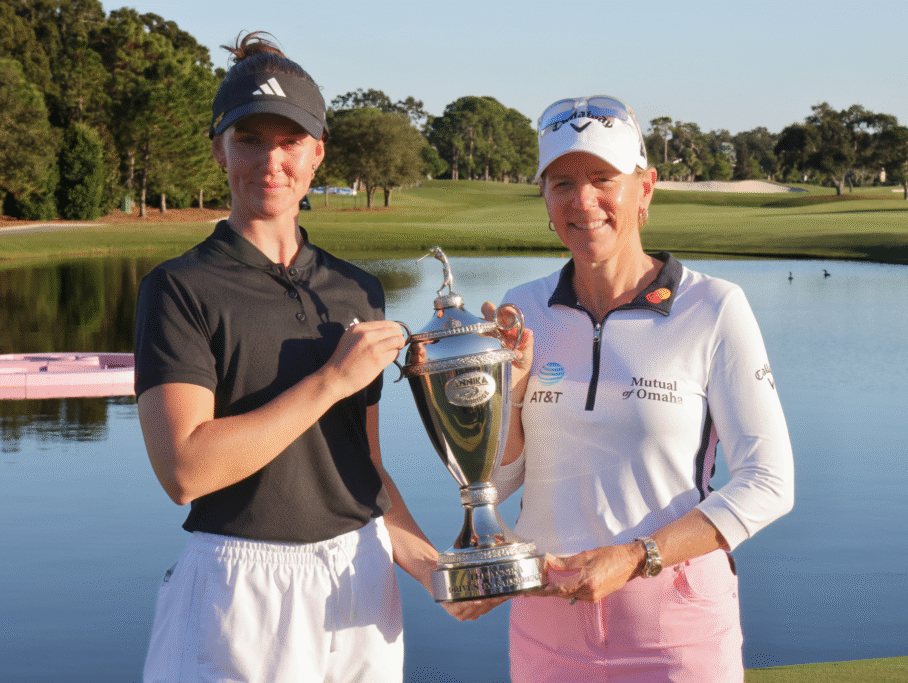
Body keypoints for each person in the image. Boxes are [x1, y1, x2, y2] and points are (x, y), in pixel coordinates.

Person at [133, 32, 474, 683]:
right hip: (243, 583)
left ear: (317, 152)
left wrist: (433, 567)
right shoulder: (179, 288)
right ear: (218, 149)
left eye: (289, 140)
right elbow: (186, 470)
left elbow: (363, 468)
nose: (271, 160)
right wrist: (330, 380)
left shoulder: (356, 290)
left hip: (363, 576)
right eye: (250, 139)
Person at [492, 96, 796, 681]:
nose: (583, 202)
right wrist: (517, 389)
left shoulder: (713, 307)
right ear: (544, 197)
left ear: (645, 189)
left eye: (603, 178)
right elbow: (499, 482)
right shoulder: (523, 308)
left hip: (674, 629)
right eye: (561, 183)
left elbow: (770, 483)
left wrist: (636, 558)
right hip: (545, 624)